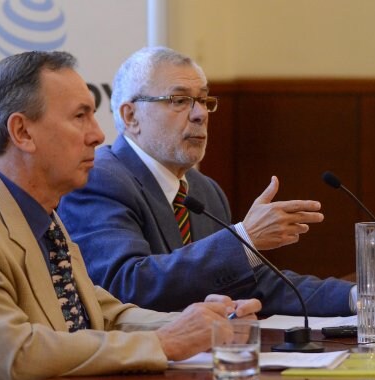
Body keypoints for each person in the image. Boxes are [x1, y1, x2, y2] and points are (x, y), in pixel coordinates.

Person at [0, 51, 261, 380]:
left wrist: (198, 323)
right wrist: (163, 343)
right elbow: (17, 356)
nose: (98, 135)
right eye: (80, 116)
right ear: (22, 132)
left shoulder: (40, 213)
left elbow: (100, 313)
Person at [59, 46, 357, 316]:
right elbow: (125, 284)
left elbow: (252, 284)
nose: (200, 114)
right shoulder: (100, 177)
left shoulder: (204, 190)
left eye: (203, 100)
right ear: (131, 116)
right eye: (180, 100)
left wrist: (357, 298)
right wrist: (245, 240)